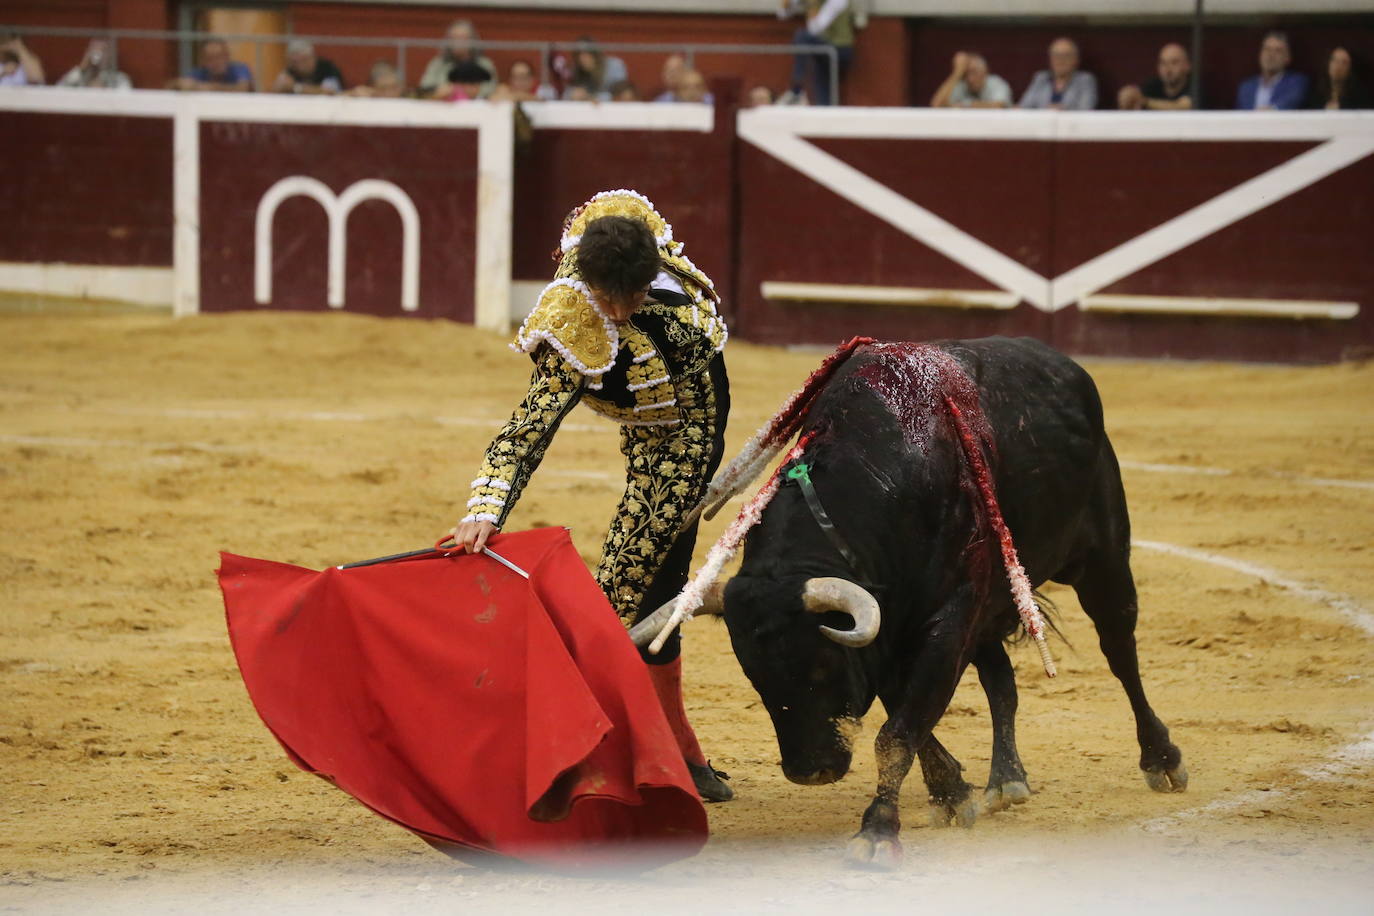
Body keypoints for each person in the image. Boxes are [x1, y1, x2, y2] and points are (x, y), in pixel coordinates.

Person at [454, 190, 734, 804]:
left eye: (629, 297)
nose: (616, 310)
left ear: (646, 282)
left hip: (688, 435)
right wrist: (484, 509)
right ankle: (678, 749)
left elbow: (708, 382)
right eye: (607, 297)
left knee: (629, 589)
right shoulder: (572, 319)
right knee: (649, 593)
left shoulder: (675, 309)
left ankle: (624, 754)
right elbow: (529, 429)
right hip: (645, 432)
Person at [778, 0, 855, 106]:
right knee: (823, 95)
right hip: (823, 51)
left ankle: (797, 88)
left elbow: (815, 28)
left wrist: (812, 4)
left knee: (801, 36)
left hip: (840, 50)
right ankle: (824, 110)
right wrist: (788, 4)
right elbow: (782, 14)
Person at [418, 19, 496, 101]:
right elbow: (425, 87)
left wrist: (469, 92)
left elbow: (491, 89)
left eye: (463, 38)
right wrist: (440, 91)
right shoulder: (438, 64)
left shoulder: (484, 64)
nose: (458, 42)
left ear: (472, 40)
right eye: (454, 38)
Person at [1236, 31, 1308, 111]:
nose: (1271, 55)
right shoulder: (1246, 87)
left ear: (1288, 58)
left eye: (1278, 51)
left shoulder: (1296, 83)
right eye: (1267, 49)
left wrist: (1271, 110)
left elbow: (1291, 102)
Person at [1020, 37, 1097, 110]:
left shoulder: (1085, 80)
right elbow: (1024, 106)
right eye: (1056, 55)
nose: (1060, 60)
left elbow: (1086, 109)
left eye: (1066, 56)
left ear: (1076, 60)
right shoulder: (1041, 78)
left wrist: (1062, 111)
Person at [1118, 42, 1196, 110]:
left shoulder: (1195, 86)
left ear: (1188, 66)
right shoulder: (1152, 85)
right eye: (1163, 63)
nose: (1168, 69)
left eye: (1174, 63)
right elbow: (1135, 97)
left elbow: (1182, 107)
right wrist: (1129, 96)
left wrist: (1145, 102)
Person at [931, 51, 1012, 108]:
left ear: (985, 72)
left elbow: (999, 106)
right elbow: (937, 104)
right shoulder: (962, 85)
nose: (970, 79)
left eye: (974, 72)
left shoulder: (995, 83)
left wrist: (966, 105)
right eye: (966, 74)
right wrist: (956, 73)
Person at [167, 38, 253, 92]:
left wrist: (209, 87)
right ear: (203, 61)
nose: (215, 62)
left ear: (227, 56)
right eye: (210, 58)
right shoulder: (199, 72)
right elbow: (171, 86)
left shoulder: (240, 69)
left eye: (219, 56)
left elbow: (243, 88)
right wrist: (180, 84)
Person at [563, 36, 627, 101]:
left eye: (586, 53)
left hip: (613, 109)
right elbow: (565, 95)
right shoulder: (577, 71)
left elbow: (621, 95)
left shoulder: (614, 66)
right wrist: (573, 94)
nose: (582, 58)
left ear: (596, 54)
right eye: (578, 55)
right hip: (587, 109)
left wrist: (593, 97)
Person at [56, 38, 131, 90]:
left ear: (110, 55)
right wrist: (81, 69)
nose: (97, 53)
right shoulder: (78, 77)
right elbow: (59, 89)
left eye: (103, 50)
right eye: (93, 49)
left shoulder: (120, 79)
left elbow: (125, 101)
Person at [272, 40, 343, 94]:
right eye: (294, 62)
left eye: (303, 60)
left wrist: (296, 88)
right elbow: (275, 91)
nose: (299, 66)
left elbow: (331, 92)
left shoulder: (327, 68)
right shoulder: (290, 70)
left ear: (312, 57)